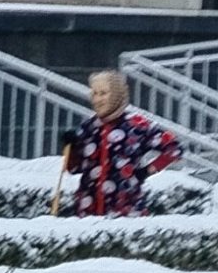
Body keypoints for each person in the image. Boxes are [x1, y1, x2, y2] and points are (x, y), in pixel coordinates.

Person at [56, 70, 181, 216]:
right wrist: (72, 148)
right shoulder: (88, 127)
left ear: (116, 94)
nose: (97, 99)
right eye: (94, 93)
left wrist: (145, 172)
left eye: (103, 93)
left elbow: (174, 149)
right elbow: (75, 169)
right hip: (88, 212)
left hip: (125, 210)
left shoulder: (137, 125)